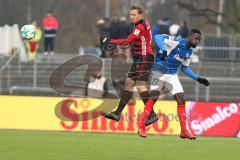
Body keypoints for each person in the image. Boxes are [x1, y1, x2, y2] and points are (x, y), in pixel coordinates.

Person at [137, 29, 210, 139]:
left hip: (172, 75)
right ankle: (141, 126)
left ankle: (184, 131)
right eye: (196, 39)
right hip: (159, 72)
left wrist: (198, 79)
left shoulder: (189, 52)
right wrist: (163, 49)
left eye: (199, 40)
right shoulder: (176, 41)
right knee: (154, 96)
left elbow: (184, 68)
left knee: (181, 99)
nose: (197, 42)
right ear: (189, 36)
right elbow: (157, 36)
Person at [101, 5, 158, 126]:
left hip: (145, 58)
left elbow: (127, 41)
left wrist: (109, 41)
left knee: (141, 86)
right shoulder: (140, 24)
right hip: (139, 58)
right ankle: (117, 113)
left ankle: (152, 115)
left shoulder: (140, 27)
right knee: (128, 84)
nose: (131, 17)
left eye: (134, 15)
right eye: (130, 15)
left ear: (140, 15)